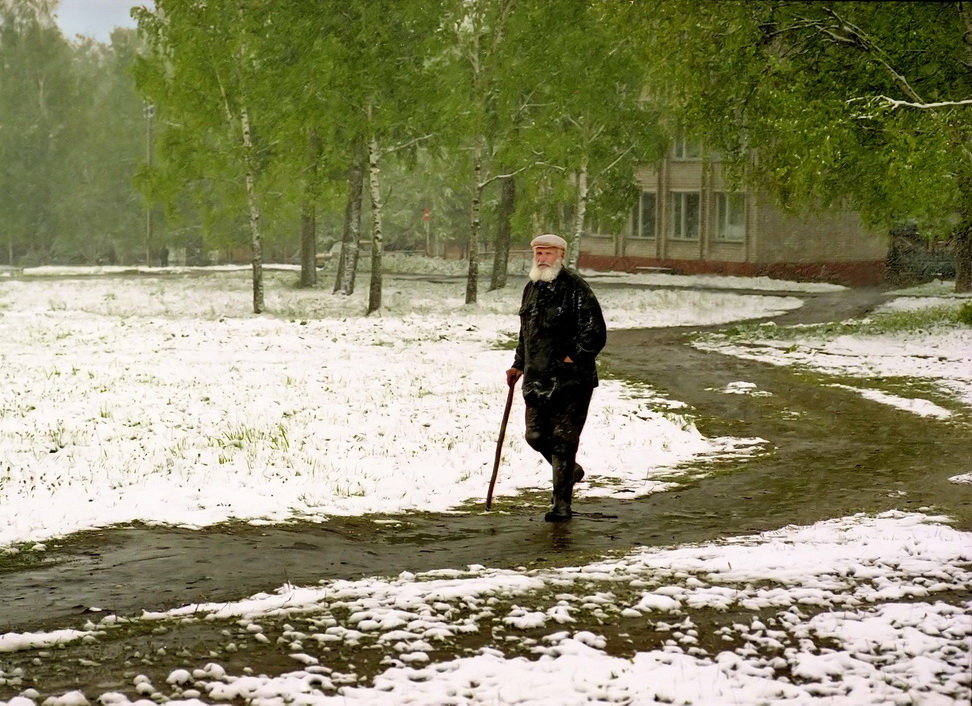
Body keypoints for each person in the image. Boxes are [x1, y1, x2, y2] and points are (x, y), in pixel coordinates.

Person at [506, 233, 606, 522]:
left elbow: (595, 331)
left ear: (561, 255)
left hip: (571, 380)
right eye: (538, 253)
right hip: (537, 378)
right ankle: (570, 472)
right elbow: (526, 333)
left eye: (548, 253)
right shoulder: (532, 288)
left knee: (564, 439)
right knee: (535, 435)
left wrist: (572, 357)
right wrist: (518, 364)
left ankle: (561, 505)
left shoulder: (575, 288)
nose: (541, 258)